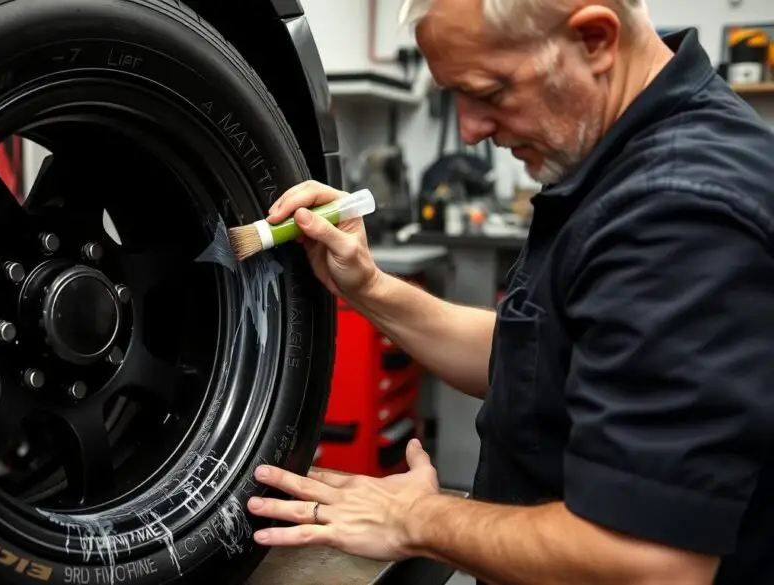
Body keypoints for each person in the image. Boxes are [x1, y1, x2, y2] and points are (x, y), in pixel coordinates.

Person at [244, 0, 774, 583]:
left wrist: (419, 519)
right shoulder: (612, 157)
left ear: (595, 39)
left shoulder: (680, 213)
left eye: (490, 93)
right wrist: (367, 285)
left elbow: (650, 563)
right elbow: (534, 357)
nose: (470, 132)